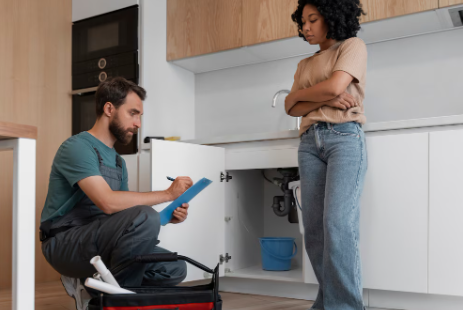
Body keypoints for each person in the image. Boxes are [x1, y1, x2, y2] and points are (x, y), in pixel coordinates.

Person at [40, 77, 192, 310]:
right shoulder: (78, 147)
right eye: (133, 113)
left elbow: (124, 217)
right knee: (144, 215)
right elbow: (108, 203)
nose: (138, 123)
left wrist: (167, 217)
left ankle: (99, 291)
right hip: (64, 242)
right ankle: (120, 305)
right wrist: (168, 194)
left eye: (140, 115)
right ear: (109, 108)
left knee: (174, 267)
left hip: (102, 240)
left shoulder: (118, 162)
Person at [285, 1, 368, 309]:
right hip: (309, 142)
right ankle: (329, 302)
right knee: (316, 231)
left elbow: (334, 84)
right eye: (302, 21)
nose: (305, 27)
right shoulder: (304, 65)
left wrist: (308, 95)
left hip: (344, 138)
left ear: (331, 17)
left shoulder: (352, 47)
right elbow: (289, 106)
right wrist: (328, 94)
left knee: (337, 224)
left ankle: (344, 306)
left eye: (312, 19)